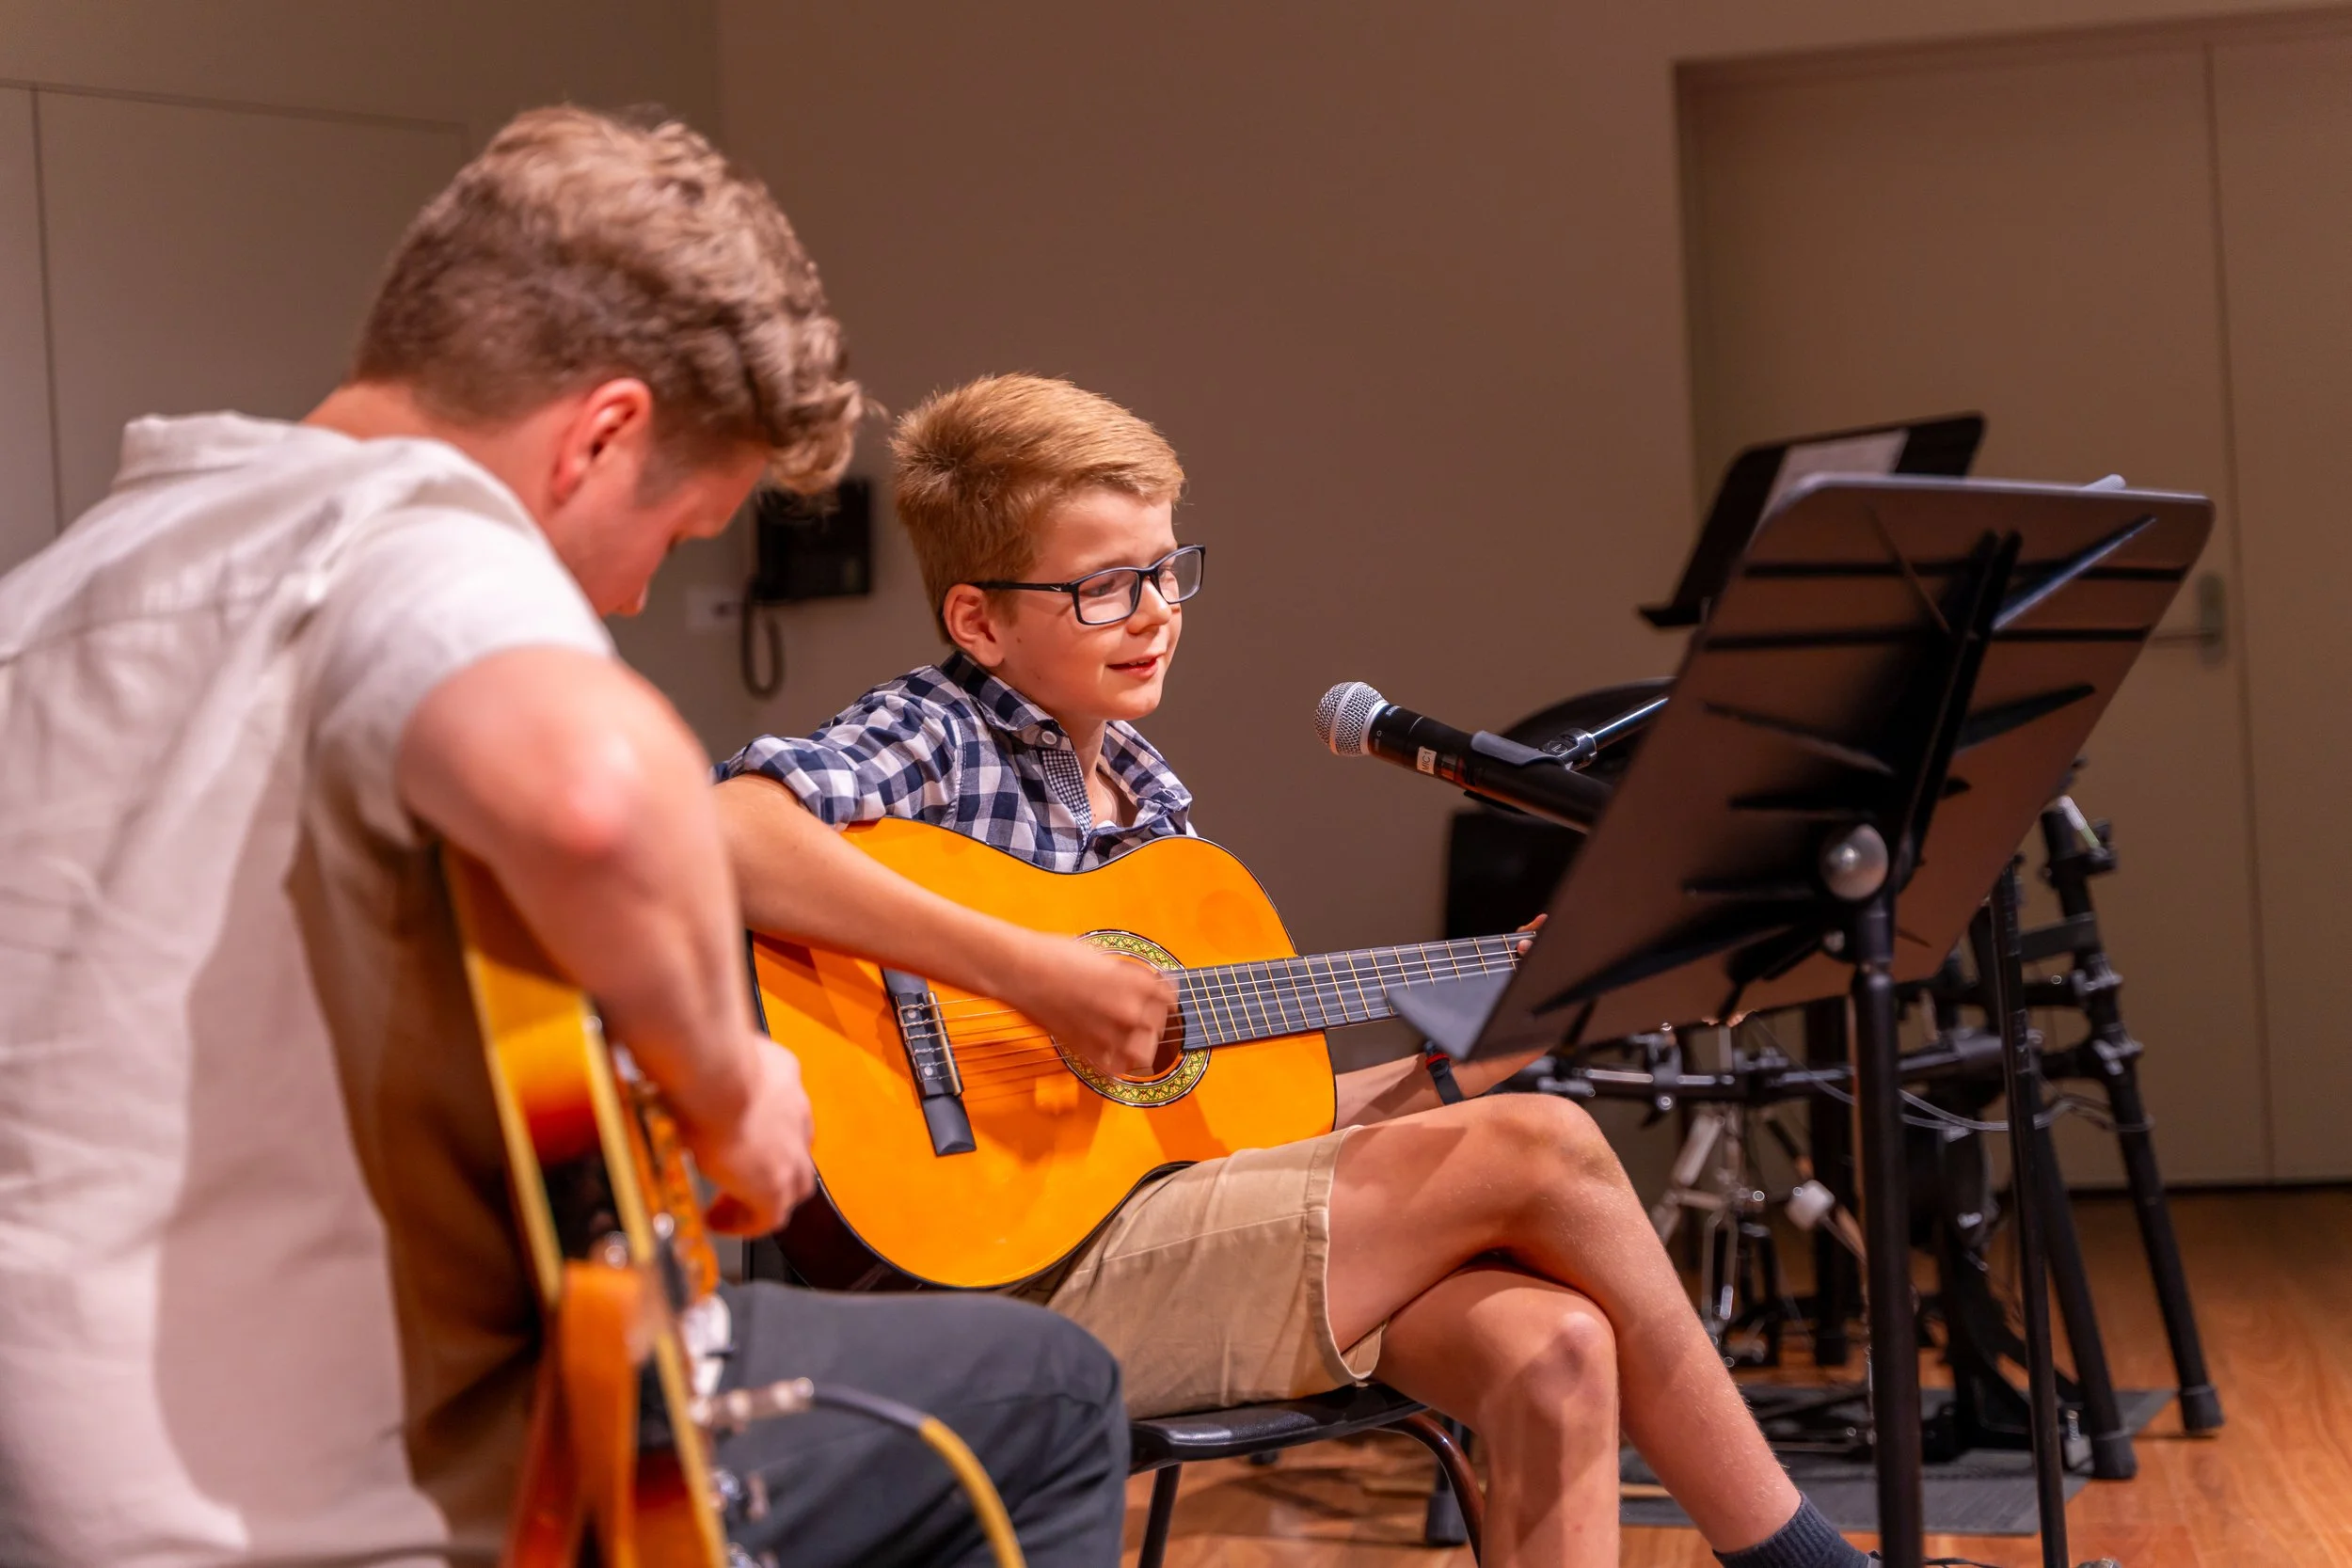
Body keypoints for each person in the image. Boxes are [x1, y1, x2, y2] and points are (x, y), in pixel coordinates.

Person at [0, 113, 1157, 1568]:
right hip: (338, 1492)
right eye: (673, 535)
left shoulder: (62, 588)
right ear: (600, 435)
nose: (627, 600)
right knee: (1047, 1394)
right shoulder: (412, 540)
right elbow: (593, 794)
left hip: (50, 1490)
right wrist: (730, 1086)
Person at [714, 373, 1874, 1568]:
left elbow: (1255, 1130)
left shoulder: (1152, 809)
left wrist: (1508, 1034)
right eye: (1104, 586)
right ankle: (1803, 1561)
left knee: (1556, 1344)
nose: (1154, 612)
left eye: (1168, 569)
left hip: (1159, 1235)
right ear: (979, 622)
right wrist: (1033, 972)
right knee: (1548, 1141)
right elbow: (724, 832)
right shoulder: (936, 733)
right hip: (994, 1287)